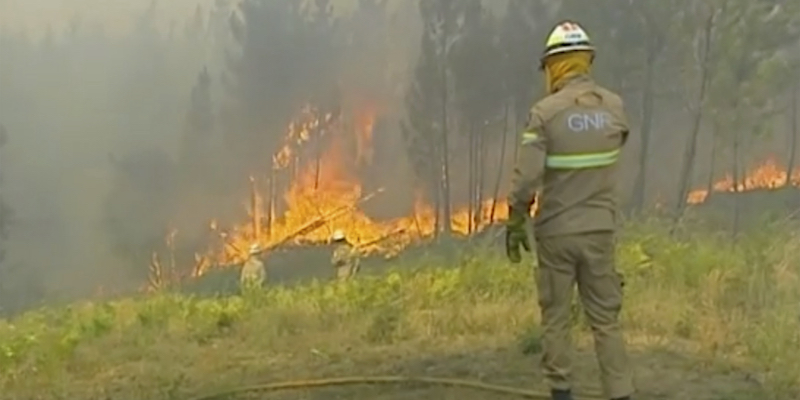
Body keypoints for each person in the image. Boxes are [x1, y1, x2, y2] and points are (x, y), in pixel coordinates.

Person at [504, 21, 635, 400]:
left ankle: (562, 392)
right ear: (586, 62)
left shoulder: (544, 114)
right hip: (599, 231)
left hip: (557, 234)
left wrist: (515, 220)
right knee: (605, 319)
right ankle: (620, 392)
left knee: (557, 317)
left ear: (553, 66)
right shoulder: (615, 108)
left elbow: (527, 178)